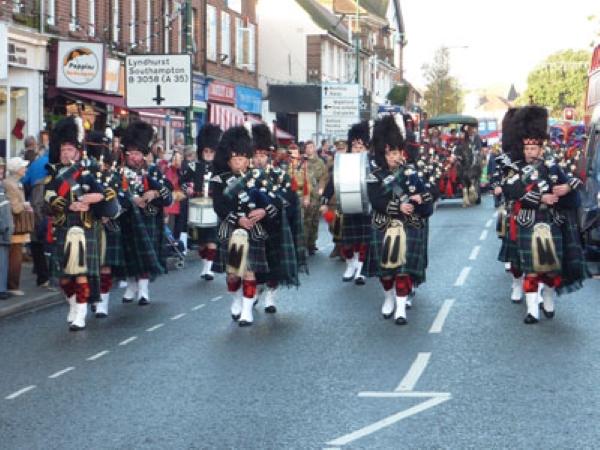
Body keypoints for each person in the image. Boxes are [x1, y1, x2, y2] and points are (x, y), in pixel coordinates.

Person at [501, 106, 585, 324]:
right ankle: (531, 310)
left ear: (541, 147)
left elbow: (575, 182)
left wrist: (566, 189)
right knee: (530, 269)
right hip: (527, 220)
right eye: (527, 148)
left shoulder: (553, 166)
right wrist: (541, 198)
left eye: (534, 148)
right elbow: (511, 190)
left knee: (549, 270)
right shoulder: (515, 167)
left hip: (551, 220)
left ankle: (548, 297)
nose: (530, 152)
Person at [44, 117, 120, 330]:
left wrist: (96, 198)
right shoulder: (54, 175)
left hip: (86, 228)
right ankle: (73, 305)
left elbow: (109, 191)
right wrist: (68, 206)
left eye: (69, 149)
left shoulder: (89, 172)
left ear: (77, 151)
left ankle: (81, 313)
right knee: (65, 279)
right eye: (63, 150)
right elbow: (47, 198)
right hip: (64, 228)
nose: (65, 153)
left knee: (81, 274)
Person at [364, 115, 434, 325]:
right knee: (386, 273)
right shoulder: (374, 175)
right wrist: (397, 207)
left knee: (403, 270)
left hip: (407, 225)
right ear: (383, 154)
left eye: (397, 152)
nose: (395, 157)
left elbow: (427, 196)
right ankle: (388, 298)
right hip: (383, 224)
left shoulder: (410, 173)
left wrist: (421, 199)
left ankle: (401, 308)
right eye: (391, 153)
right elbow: (376, 200)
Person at [211, 126, 280, 326]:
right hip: (232, 229)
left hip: (253, 230)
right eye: (234, 159)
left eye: (242, 158)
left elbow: (276, 200)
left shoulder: (259, 177)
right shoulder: (221, 180)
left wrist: (264, 211)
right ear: (228, 160)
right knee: (233, 274)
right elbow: (219, 205)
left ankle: (247, 312)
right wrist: (237, 219)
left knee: (249, 271)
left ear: (248, 159)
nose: (238, 163)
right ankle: (236, 299)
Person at [118, 121, 173, 306]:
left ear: (143, 154)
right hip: (126, 219)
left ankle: (143, 289)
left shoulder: (152, 171)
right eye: (131, 153)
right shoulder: (119, 173)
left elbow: (168, 197)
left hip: (148, 218)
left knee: (146, 255)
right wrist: (131, 200)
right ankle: (132, 285)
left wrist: (155, 193)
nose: (134, 157)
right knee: (130, 255)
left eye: (138, 153)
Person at [320, 121, 372, 284]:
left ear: (367, 148)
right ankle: (351, 265)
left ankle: (361, 269)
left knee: (363, 240)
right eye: (355, 146)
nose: (358, 149)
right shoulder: (343, 162)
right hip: (347, 205)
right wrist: (325, 200)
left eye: (361, 146)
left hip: (366, 206)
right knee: (348, 242)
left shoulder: (373, 164)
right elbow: (333, 183)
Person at [180, 124, 222, 280]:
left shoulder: (220, 167)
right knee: (202, 243)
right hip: (197, 207)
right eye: (206, 151)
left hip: (214, 206)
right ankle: (205, 264)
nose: (209, 154)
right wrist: (187, 189)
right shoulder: (193, 166)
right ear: (202, 151)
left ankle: (208, 268)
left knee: (212, 240)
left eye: (211, 151)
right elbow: (181, 181)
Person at [4, 156, 32, 296]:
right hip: (15, 225)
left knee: (15, 255)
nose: (25, 169)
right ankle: (12, 286)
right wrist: (25, 205)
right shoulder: (10, 184)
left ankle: (12, 284)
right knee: (15, 256)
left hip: (17, 224)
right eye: (23, 167)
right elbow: (15, 208)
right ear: (16, 170)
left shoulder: (14, 182)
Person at [300, 140, 327, 255]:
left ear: (314, 148)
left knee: (314, 220)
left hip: (316, 194)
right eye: (307, 147)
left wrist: (321, 188)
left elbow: (324, 177)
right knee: (305, 220)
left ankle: (312, 243)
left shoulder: (320, 162)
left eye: (311, 147)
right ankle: (303, 244)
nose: (309, 149)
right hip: (305, 194)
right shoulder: (302, 162)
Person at [0, 179, 12, 300]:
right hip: (2, 232)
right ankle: (1, 289)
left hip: (4, 230)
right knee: (2, 263)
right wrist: (4, 228)